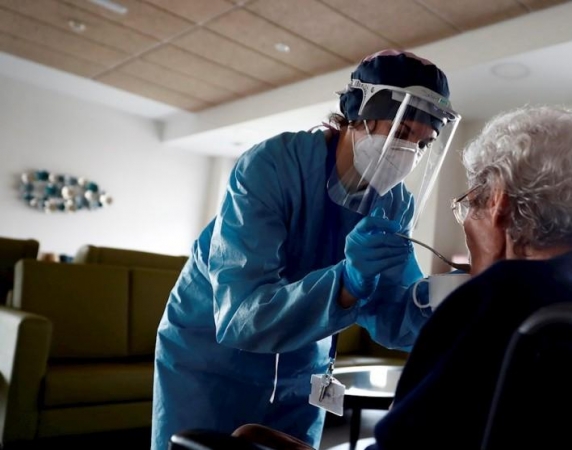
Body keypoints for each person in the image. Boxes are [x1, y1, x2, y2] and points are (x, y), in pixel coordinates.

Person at [151, 49, 461, 450]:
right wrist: (346, 283)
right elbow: (241, 316)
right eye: (401, 133)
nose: (409, 155)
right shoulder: (272, 166)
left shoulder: (395, 203)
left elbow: (388, 313)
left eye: (423, 144)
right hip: (210, 362)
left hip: (304, 365)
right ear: (357, 112)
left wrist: (448, 300)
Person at [367, 104, 572, 449]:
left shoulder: (485, 307)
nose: (468, 217)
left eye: (473, 202)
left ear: (498, 203)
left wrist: (490, 281)